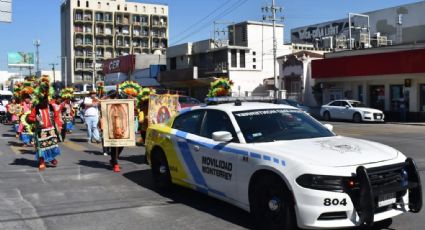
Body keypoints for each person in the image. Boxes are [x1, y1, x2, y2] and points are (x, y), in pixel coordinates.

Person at [27, 77, 61, 171]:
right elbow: (30, 118)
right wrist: (34, 120)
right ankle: (42, 162)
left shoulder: (51, 106)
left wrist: (59, 126)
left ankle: (52, 158)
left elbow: (56, 117)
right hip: (40, 131)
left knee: (52, 146)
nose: (44, 101)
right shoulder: (36, 108)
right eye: (42, 100)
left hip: (51, 130)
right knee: (41, 148)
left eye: (45, 99)